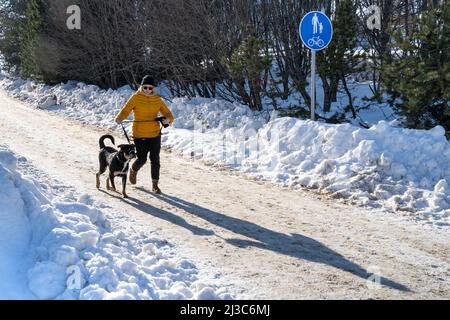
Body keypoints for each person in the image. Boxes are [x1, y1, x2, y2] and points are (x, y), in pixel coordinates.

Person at [114, 75, 174, 194]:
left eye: (150, 88)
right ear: (141, 86)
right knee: (142, 159)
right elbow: (126, 109)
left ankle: (155, 184)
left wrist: (168, 120)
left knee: (155, 159)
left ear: (153, 89)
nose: (147, 90)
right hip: (139, 133)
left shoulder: (157, 99)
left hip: (155, 134)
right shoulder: (135, 98)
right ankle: (133, 170)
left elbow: (168, 114)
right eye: (145, 87)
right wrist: (120, 117)